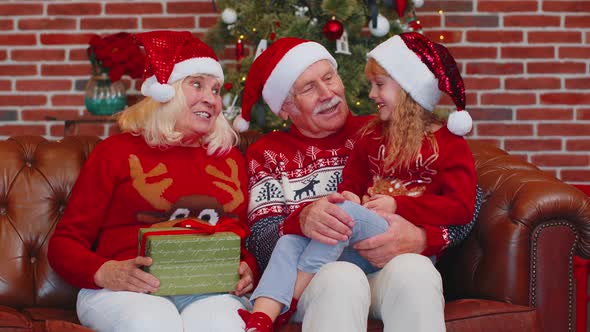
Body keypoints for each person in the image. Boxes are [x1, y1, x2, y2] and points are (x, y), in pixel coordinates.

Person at [233, 37, 482, 332]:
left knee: (415, 270)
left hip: (384, 268)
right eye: (309, 88)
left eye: (329, 78)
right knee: (342, 278)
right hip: (318, 278)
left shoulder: (383, 129)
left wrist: (423, 237)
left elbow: (469, 204)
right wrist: (300, 220)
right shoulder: (268, 153)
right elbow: (259, 242)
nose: (328, 93)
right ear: (285, 108)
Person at [47, 30, 258, 332]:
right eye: (197, 84)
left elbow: (242, 241)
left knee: (225, 324)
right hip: (123, 291)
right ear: (166, 92)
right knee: (154, 322)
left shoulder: (229, 160)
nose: (210, 99)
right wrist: (105, 272)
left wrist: (248, 268)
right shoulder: (116, 152)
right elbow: (64, 245)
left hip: (208, 290)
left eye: (215, 90)